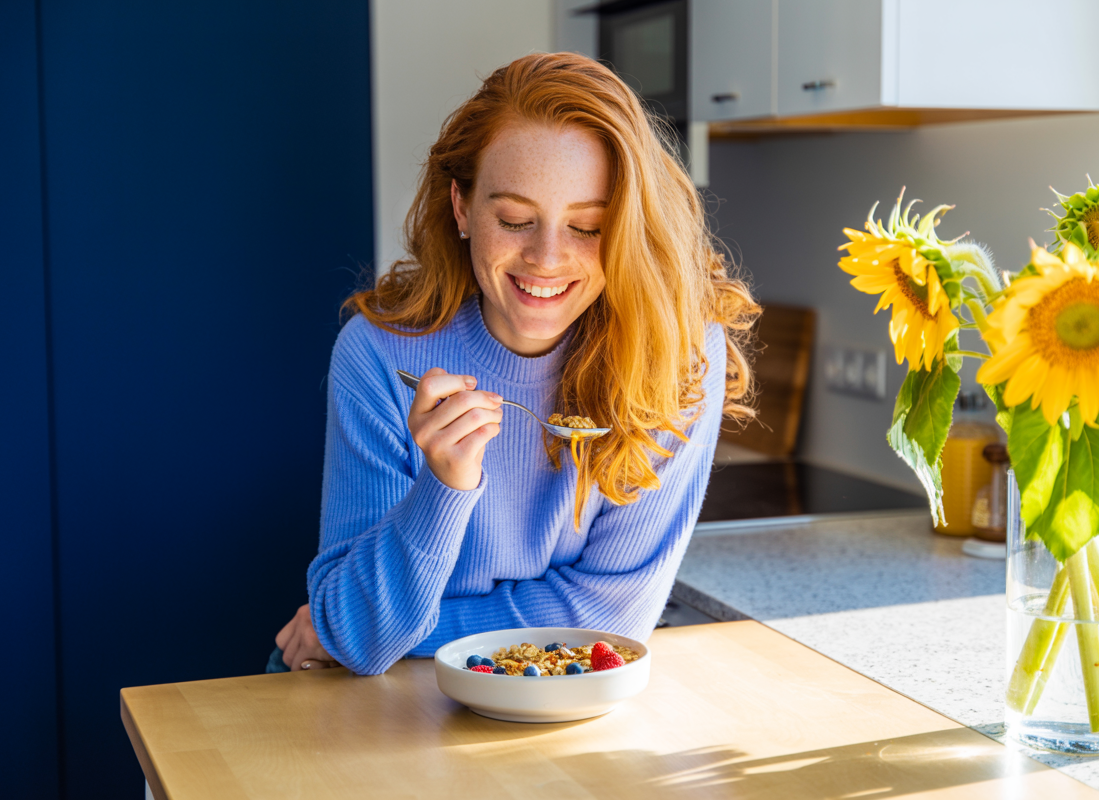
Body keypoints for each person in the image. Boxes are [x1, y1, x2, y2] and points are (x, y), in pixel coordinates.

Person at [271, 52, 758, 675]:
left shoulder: (678, 354)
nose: (547, 258)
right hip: (365, 712)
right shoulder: (379, 355)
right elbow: (364, 640)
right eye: (515, 220)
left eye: (587, 227)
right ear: (462, 209)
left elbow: (610, 621)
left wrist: (405, 630)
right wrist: (443, 487)